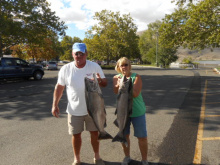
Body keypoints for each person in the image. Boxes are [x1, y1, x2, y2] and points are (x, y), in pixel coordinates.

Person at [51, 43, 107, 165]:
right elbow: (59, 87)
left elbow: (104, 83)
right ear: (72, 54)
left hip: (93, 109)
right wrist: (55, 104)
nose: (79, 56)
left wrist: (100, 80)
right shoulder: (66, 69)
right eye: (76, 53)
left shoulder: (94, 66)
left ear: (86, 54)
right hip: (74, 109)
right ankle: (77, 159)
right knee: (75, 135)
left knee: (94, 133)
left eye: (81, 53)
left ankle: (97, 157)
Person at [113, 57, 149, 165]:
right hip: (122, 112)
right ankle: (127, 157)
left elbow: (135, 94)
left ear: (130, 66)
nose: (124, 67)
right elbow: (115, 91)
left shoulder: (136, 76)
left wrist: (126, 84)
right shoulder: (116, 77)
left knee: (142, 137)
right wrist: (119, 84)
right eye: (122, 65)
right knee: (124, 136)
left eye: (126, 65)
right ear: (118, 67)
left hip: (137, 112)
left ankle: (144, 159)